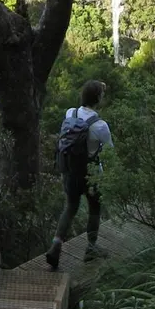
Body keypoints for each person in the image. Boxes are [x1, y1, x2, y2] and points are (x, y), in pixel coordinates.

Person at [46, 80, 114, 269]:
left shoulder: (70, 113)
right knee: (94, 208)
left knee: (70, 207)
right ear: (98, 98)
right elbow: (110, 152)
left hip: (70, 171)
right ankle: (91, 248)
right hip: (91, 175)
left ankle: (56, 245)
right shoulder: (100, 125)